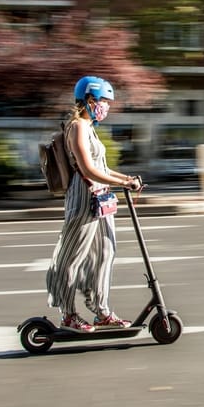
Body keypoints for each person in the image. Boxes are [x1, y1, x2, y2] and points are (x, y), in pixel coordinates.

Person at [46, 75, 142, 333]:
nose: (107, 106)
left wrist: (127, 179)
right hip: (83, 197)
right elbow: (88, 170)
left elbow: (102, 167)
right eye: (104, 101)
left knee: (104, 254)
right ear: (89, 99)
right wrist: (123, 184)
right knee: (72, 257)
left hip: (101, 197)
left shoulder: (89, 128)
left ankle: (102, 312)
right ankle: (68, 315)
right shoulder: (77, 126)